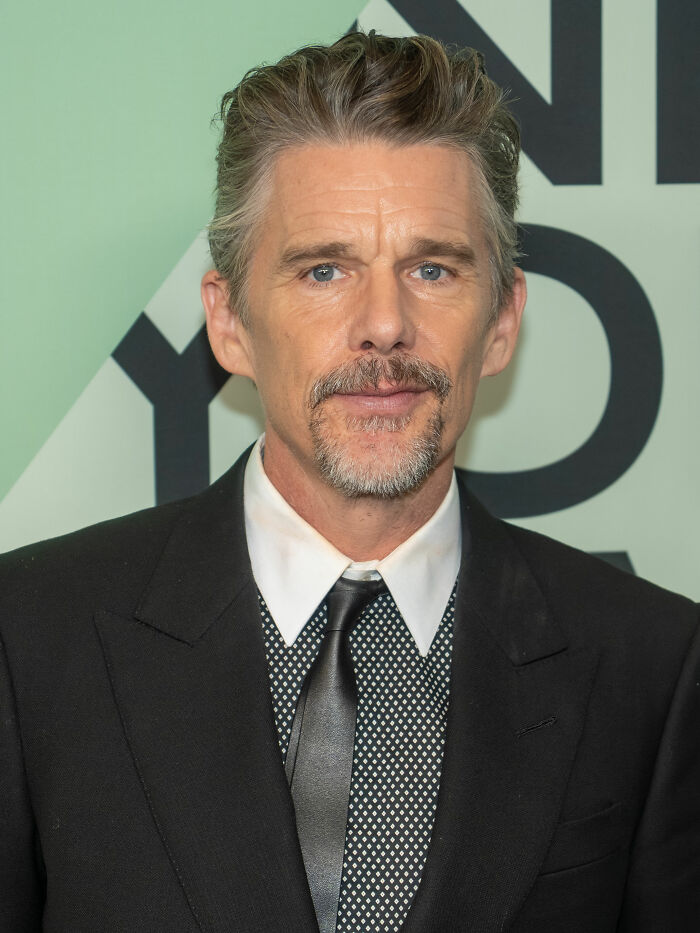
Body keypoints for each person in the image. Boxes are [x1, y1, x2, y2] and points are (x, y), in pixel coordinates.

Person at [1, 31, 698, 933]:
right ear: (230, 323)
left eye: (433, 268)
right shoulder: (29, 637)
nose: (383, 325)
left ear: (501, 323)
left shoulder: (653, 663)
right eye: (324, 269)